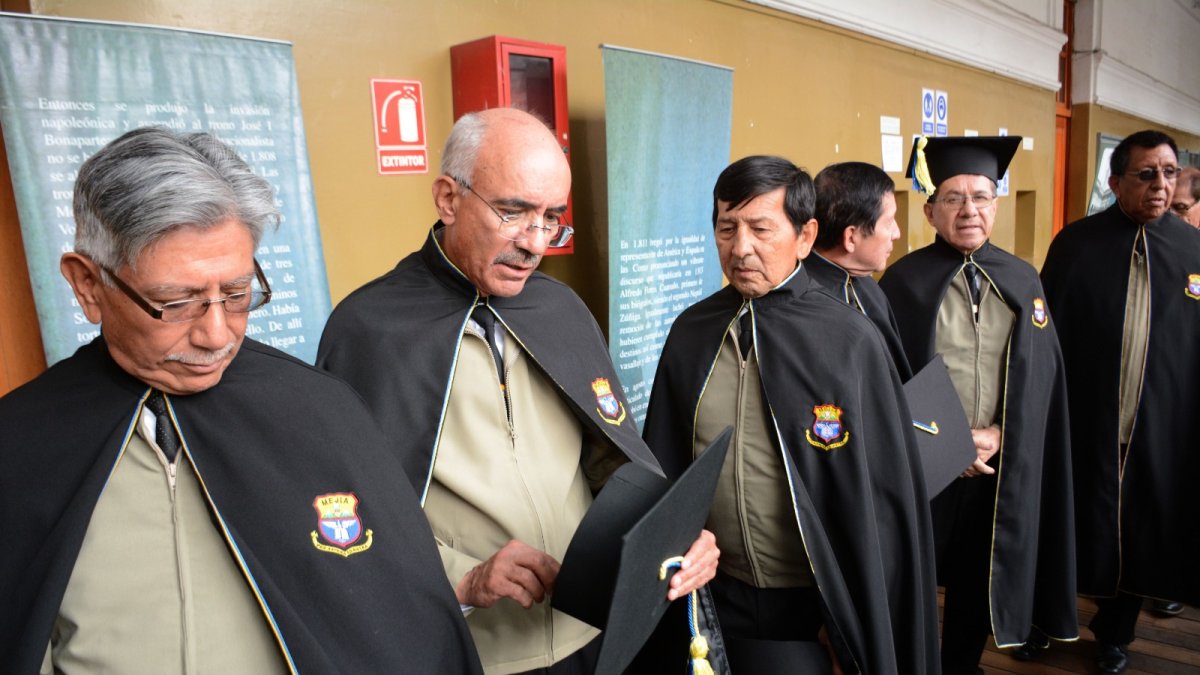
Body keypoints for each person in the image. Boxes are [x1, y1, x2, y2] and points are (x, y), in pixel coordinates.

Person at [0, 127, 481, 673]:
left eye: (236, 294)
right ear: (87, 284)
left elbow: (387, 580)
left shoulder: (321, 411)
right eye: (176, 302)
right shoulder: (17, 446)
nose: (216, 335)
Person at [316, 107, 719, 674]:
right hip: (470, 650)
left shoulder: (562, 310)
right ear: (448, 198)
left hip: (595, 637)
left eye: (552, 217)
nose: (536, 243)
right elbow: (348, 514)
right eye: (513, 212)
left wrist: (675, 536)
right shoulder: (367, 329)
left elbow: (613, 465)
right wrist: (466, 576)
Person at [642, 155, 940, 674]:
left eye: (761, 228)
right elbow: (665, 465)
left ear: (806, 236)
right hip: (713, 595)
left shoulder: (849, 341)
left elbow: (884, 503)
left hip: (816, 606)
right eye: (726, 228)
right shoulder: (691, 333)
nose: (740, 248)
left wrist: (851, 616)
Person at [878, 136, 1077, 675]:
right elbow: (888, 376)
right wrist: (951, 442)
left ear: (996, 204)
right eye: (953, 198)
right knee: (914, 571)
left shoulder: (1023, 279)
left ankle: (962, 664)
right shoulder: (902, 283)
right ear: (929, 210)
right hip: (924, 462)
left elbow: (1043, 377)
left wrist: (1001, 435)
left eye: (982, 197)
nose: (969, 210)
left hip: (997, 463)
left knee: (976, 576)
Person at [1041, 129, 1200, 674]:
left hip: (1160, 427)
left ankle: (1115, 633)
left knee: (1140, 534)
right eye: (1147, 174)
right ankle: (1046, 619)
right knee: (1068, 523)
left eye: (1170, 173)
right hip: (1084, 423)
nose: (1161, 184)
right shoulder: (1076, 244)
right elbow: (1047, 336)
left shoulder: (1193, 250)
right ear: (1115, 182)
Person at [809, 161, 911, 379]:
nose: (897, 233)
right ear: (851, 237)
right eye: (889, 222)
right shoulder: (803, 302)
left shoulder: (869, 288)